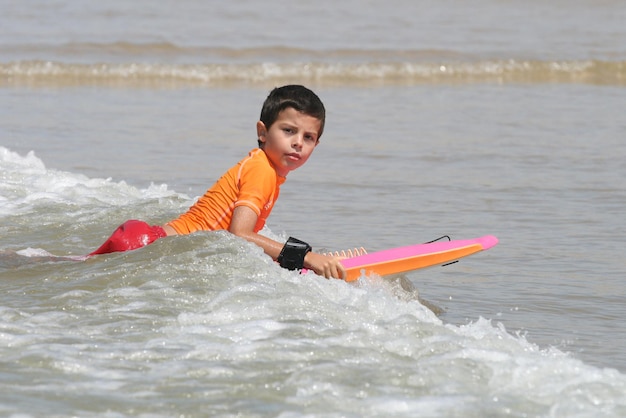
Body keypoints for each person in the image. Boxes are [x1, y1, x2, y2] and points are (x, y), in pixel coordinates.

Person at [88, 85, 346, 280]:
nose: (298, 142)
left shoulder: (263, 166)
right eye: (289, 131)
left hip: (144, 239)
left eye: (309, 137)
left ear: (317, 144)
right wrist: (306, 257)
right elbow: (240, 234)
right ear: (263, 132)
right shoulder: (262, 171)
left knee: (69, 267)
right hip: (149, 246)